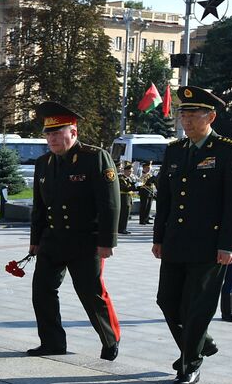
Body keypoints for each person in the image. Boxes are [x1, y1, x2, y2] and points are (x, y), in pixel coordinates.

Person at [152, 86, 232, 384]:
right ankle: (201, 342)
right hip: (176, 241)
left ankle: (189, 362)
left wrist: (229, 244)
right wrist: (158, 238)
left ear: (211, 116)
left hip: (210, 245)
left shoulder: (229, 150)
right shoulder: (175, 150)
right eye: (183, 114)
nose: (186, 120)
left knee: (197, 306)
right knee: (167, 300)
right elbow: (164, 198)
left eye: (193, 114)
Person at [26, 101, 121, 360]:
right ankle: (52, 342)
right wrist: (35, 241)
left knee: (91, 294)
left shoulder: (93, 157)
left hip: (85, 241)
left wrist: (106, 241)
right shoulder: (43, 163)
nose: (52, 138)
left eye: (58, 133)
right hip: (53, 239)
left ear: (73, 133)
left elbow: (109, 203)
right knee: (42, 291)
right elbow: (39, 206)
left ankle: (110, 339)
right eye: (48, 133)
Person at [116, 162, 137, 236]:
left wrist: (137, 186)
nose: (130, 173)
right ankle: (121, 229)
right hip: (123, 198)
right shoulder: (121, 178)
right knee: (123, 214)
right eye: (129, 171)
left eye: (131, 171)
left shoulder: (129, 178)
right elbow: (125, 189)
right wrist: (134, 186)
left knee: (126, 214)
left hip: (128, 197)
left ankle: (124, 228)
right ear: (125, 171)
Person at [138, 160, 156, 225]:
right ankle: (142, 220)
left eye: (149, 168)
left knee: (148, 206)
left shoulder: (149, 174)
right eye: (147, 168)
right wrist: (150, 179)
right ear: (144, 168)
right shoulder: (141, 174)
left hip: (150, 192)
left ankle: (146, 219)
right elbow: (143, 183)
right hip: (144, 192)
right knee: (144, 206)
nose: (148, 169)